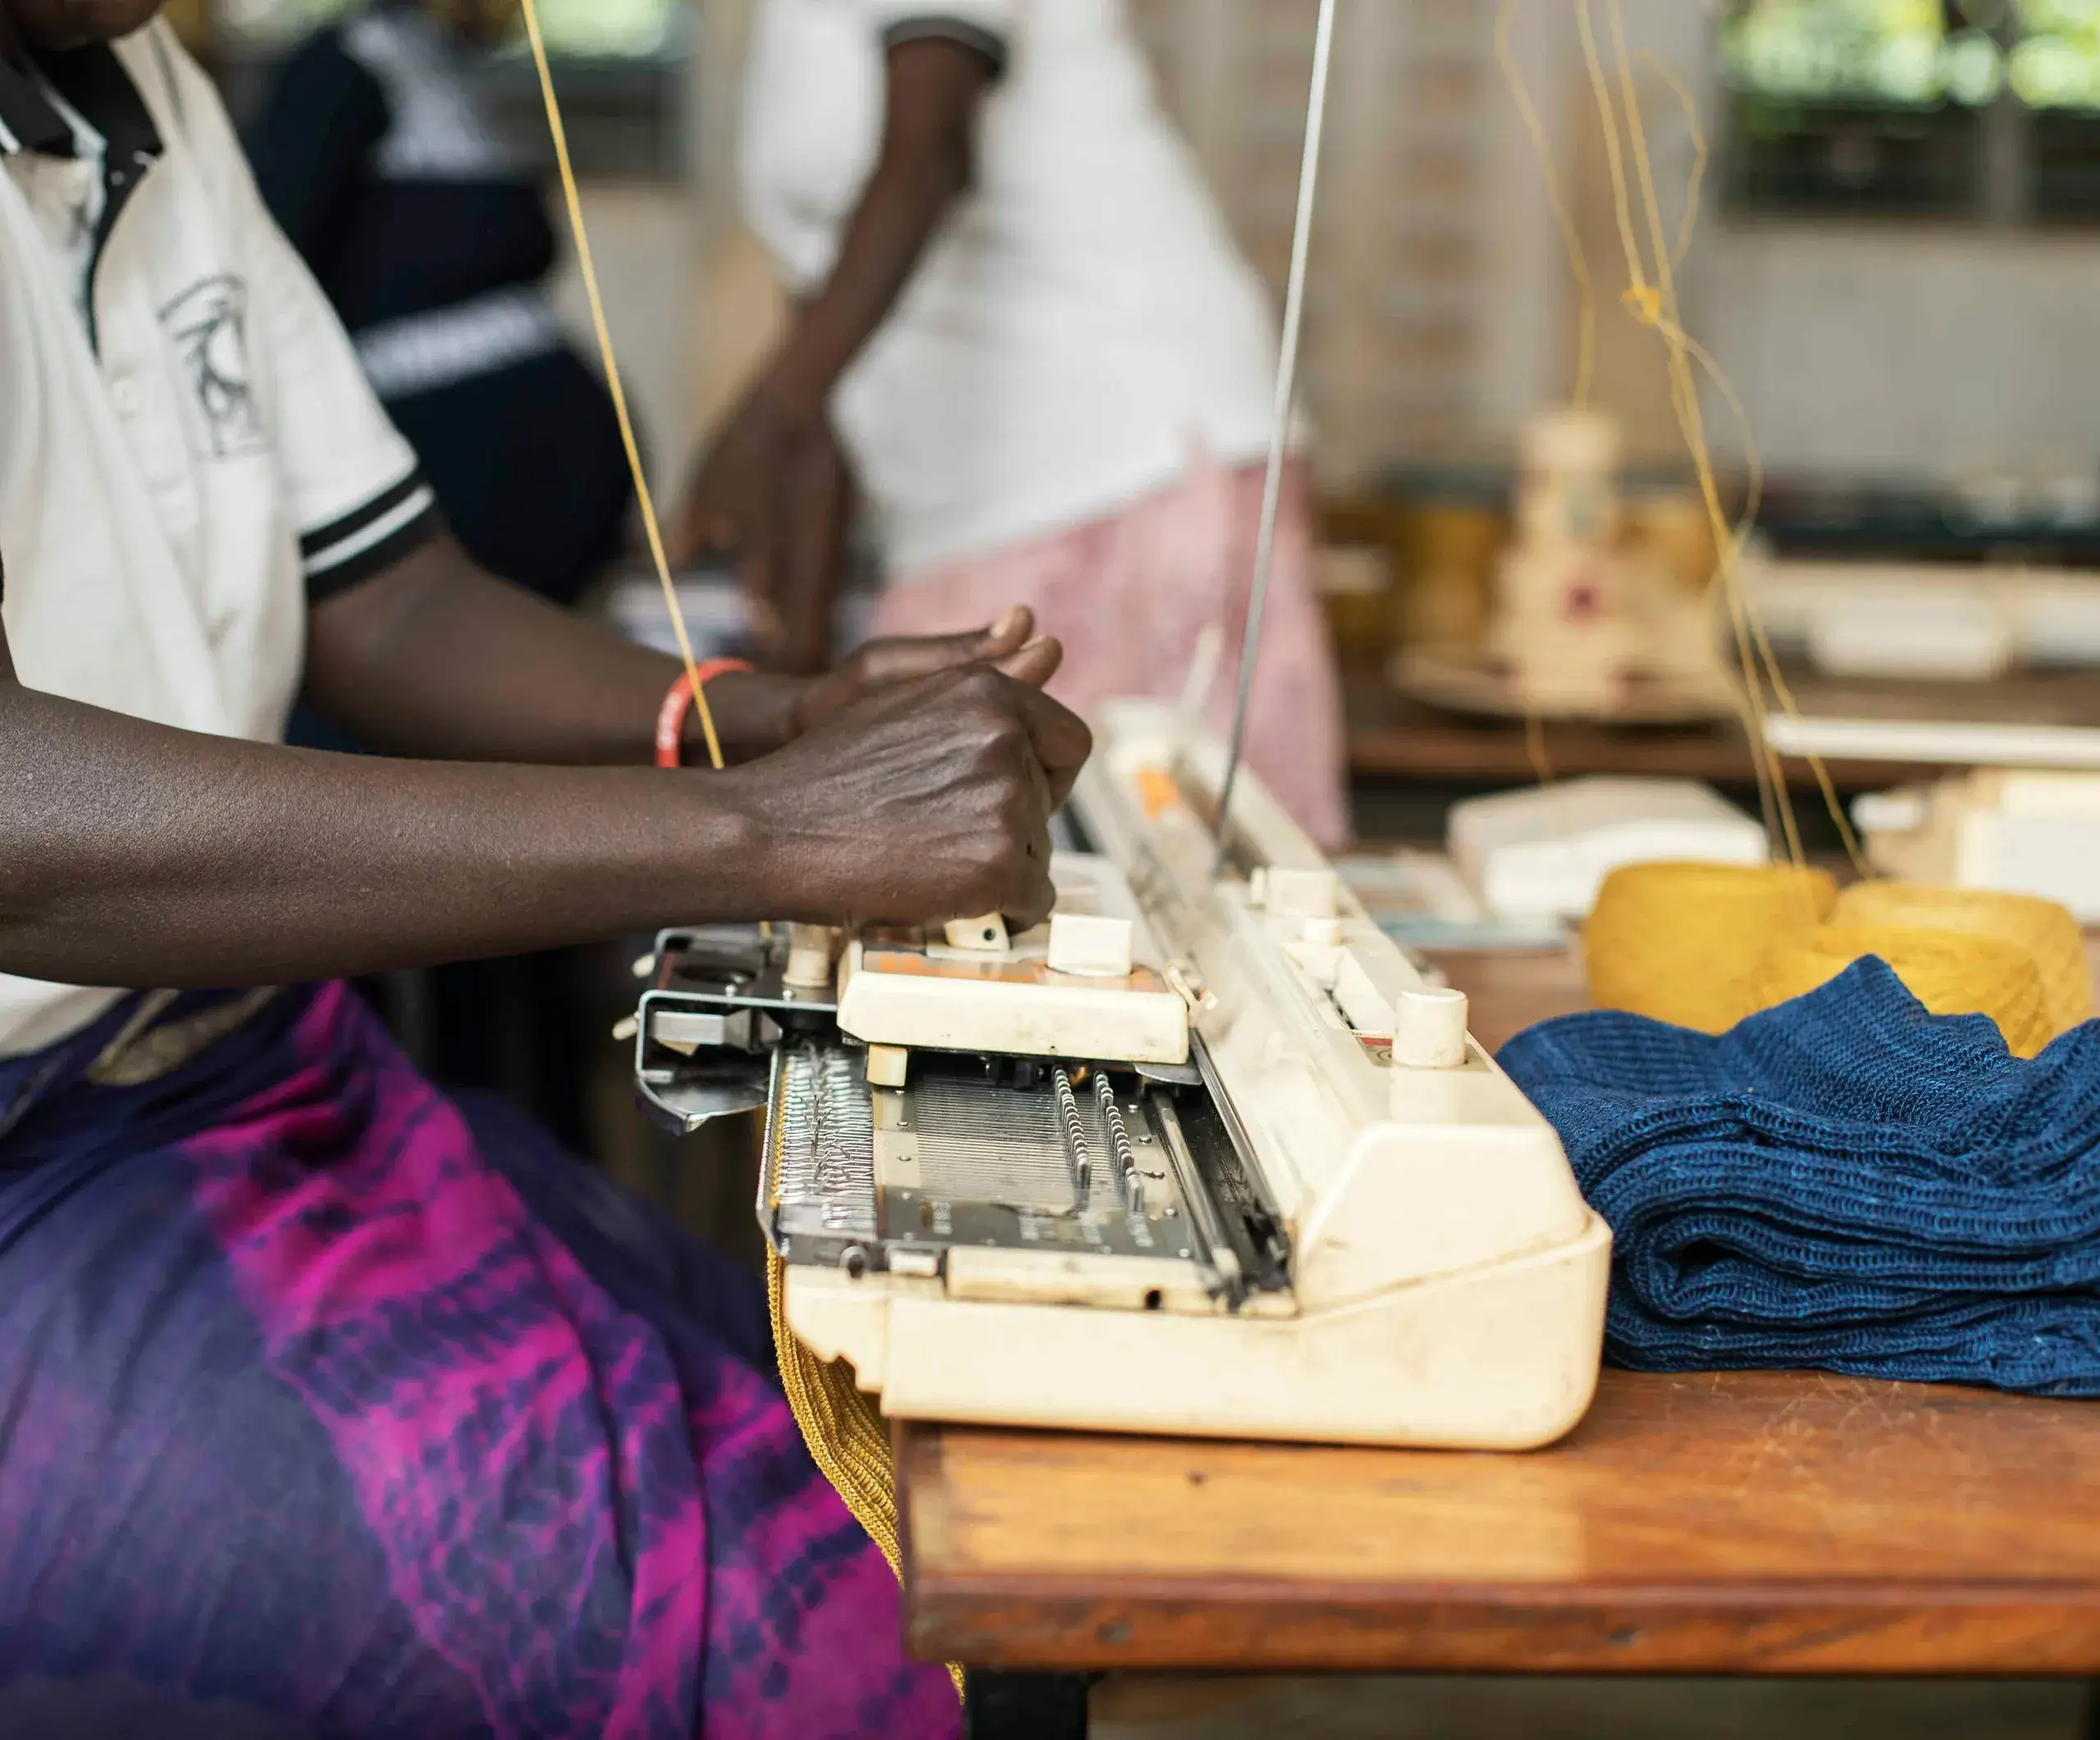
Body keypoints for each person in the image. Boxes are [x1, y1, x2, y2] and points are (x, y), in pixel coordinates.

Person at [0, 3, 1087, 1734]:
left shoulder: (147, 92)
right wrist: (774, 827)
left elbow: (387, 595)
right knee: (800, 1653)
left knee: (860, 1453)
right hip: (40, 1171)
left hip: (246, 1065)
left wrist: (770, 715)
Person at [673, 0, 1350, 847]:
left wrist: (765, 423)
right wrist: (792, 681)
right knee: (929, 845)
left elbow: (927, 157)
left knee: (1129, 866)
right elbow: (830, 327)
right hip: (965, 491)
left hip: (1122, 452)